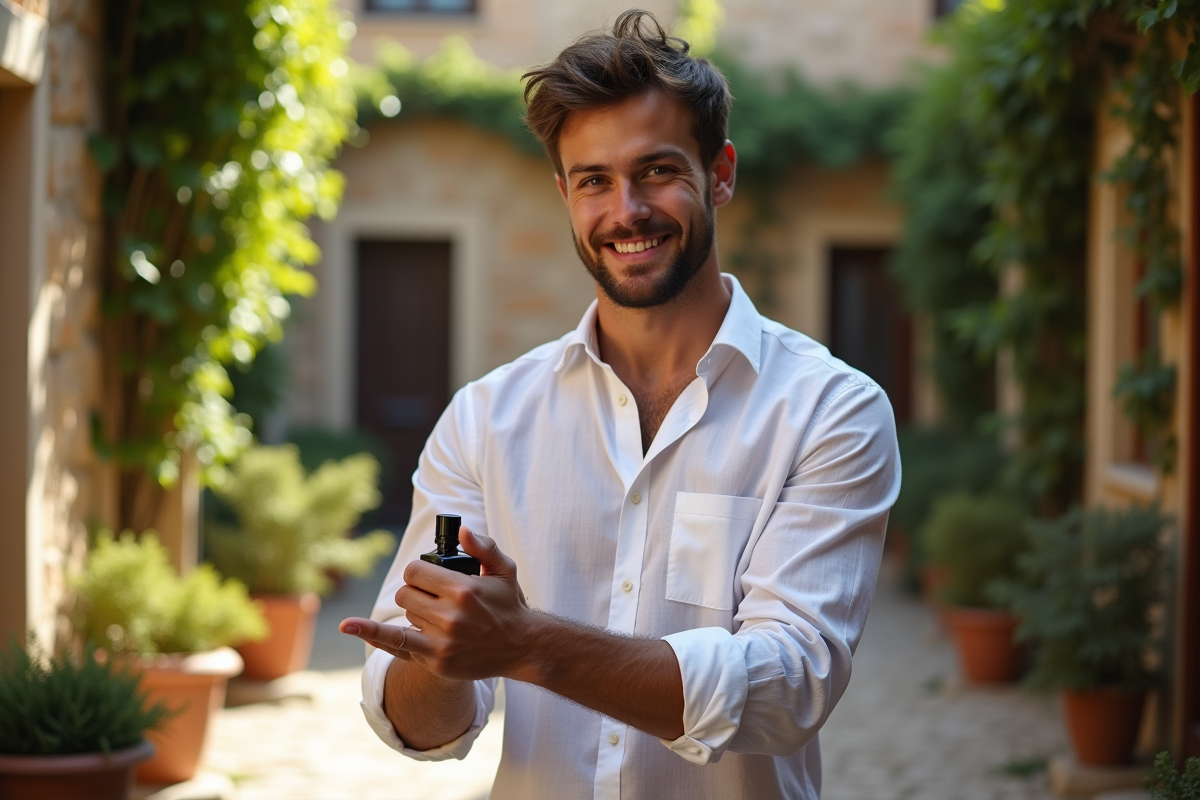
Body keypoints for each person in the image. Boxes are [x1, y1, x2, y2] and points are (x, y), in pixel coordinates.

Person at [339, 9, 900, 799]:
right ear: (565, 193)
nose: (627, 210)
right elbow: (424, 724)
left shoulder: (830, 412)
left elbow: (787, 686)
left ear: (722, 173)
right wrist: (444, 652)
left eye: (659, 171)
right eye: (595, 180)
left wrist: (527, 644)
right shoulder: (484, 421)